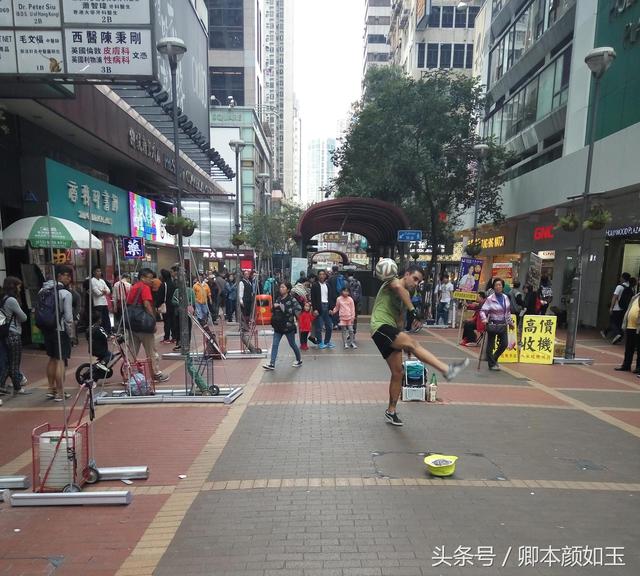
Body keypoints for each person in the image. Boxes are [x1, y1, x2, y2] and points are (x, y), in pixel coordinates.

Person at [371, 263, 469, 426]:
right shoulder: (393, 281)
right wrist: (413, 311)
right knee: (414, 343)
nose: (416, 283)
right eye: (415, 279)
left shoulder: (411, 292)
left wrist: (403, 341)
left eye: (419, 281)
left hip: (391, 329)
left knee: (398, 372)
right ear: (406, 274)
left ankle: (391, 411)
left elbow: (400, 318)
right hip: (380, 325)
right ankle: (446, 370)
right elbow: (400, 291)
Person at [126, 268, 169, 382]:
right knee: (151, 350)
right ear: (142, 278)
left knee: (132, 350)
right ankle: (156, 373)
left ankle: (128, 374)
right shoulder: (144, 287)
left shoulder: (133, 287)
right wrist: (152, 319)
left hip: (132, 324)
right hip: (144, 324)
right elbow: (146, 304)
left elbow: (129, 303)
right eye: (149, 278)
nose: (151, 280)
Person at [40, 265, 75, 401]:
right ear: (59, 276)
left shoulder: (42, 290)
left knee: (52, 359)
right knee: (61, 360)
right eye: (66, 275)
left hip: (47, 329)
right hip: (60, 330)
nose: (69, 278)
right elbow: (68, 318)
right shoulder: (65, 293)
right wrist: (71, 334)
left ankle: (50, 389)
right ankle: (60, 392)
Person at [263, 282, 303, 370]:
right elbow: (272, 309)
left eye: (283, 287)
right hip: (278, 326)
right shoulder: (278, 298)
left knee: (292, 344)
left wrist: (284, 308)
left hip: (288, 326)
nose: (281, 289)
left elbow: (298, 309)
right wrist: (274, 306)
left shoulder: (292, 299)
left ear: (288, 289)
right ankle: (272, 363)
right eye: (280, 287)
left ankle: (299, 359)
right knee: (275, 344)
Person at [0, 277, 29, 395]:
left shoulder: (3, 298)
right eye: (19, 286)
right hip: (13, 333)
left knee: (9, 362)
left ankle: (2, 385)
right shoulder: (12, 300)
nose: (20, 289)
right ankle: (17, 387)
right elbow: (23, 317)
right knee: (15, 362)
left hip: (6, 333)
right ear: (13, 286)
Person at [480, 278, 514, 371]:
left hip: (503, 325)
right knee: (490, 345)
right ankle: (492, 364)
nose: (498, 287)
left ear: (502, 286)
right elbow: (483, 311)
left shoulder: (505, 297)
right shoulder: (490, 299)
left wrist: (510, 323)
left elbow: (507, 312)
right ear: (493, 287)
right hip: (492, 324)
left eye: (500, 285)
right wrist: (484, 319)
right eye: (496, 285)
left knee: (504, 344)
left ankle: (493, 359)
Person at [601, 272, 633, 345]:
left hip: (617, 308)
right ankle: (618, 336)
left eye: (621, 277)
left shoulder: (619, 287)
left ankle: (618, 334)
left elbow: (614, 297)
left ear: (622, 278)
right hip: (624, 309)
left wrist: (611, 307)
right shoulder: (630, 288)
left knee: (613, 322)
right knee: (619, 323)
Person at [616, 288, 640, 374]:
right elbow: (629, 309)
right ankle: (626, 365)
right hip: (630, 326)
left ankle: (638, 367)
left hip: (638, 327)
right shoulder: (635, 297)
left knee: (639, 348)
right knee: (629, 347)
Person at [311, 269, 336, 349]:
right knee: (319, 327)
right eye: (320, 274)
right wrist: (315, 309)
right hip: (319, 307)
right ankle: (320, 342)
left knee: (329, 326)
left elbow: (331, 297)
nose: (322, 276)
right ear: (318, 276)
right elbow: (313, 298)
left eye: (323, 274)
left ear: (325, 276)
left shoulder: (328, 285)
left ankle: (327, 341)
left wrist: (331, 308)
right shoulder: (315, 285)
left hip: (327, 306)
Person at [90, 266, 112, 334]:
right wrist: (103, 291)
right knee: (100, 318)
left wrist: (104, 291)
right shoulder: (92, 280)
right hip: (97, 303)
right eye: (97, 271)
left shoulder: (102, 280)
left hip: (104, 302)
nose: (99, 272)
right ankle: (101, 332)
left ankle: (108, 331)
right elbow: (97, 293)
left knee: (106, 318)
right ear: (94, 272)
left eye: (100, 271)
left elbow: (108, 290)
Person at [159, 269, 176, 343]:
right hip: (173, 305)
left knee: (167, 322)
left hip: (166, 305)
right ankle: (174, 337)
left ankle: (166, 337)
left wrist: (157, 305)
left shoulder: (164, 285)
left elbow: (160, 296)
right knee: (173, 321)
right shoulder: (173, 284)